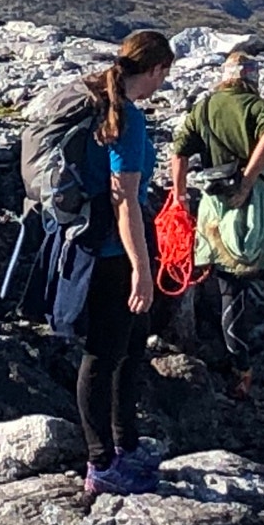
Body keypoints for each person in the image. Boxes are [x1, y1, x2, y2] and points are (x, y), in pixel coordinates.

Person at [68, 29, 176, 497]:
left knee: (130, 348)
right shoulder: (127, 120)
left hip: (96, 245)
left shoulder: (99, 101)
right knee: (104, 353)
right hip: (114, 253)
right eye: (164, 74)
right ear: (153, 70)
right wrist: (142, 269)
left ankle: (124, 444)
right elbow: (125, 201)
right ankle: (101, 463)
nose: (163, 83)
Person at [169, 51, 264, 397]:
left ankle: (241, 370)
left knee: (230, 286)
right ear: (253, 78)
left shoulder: (203, 108)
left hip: (218, 204)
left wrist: (179, 196)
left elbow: (179, 153)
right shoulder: (260, 107)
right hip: (263, 196)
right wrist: (247, 181)